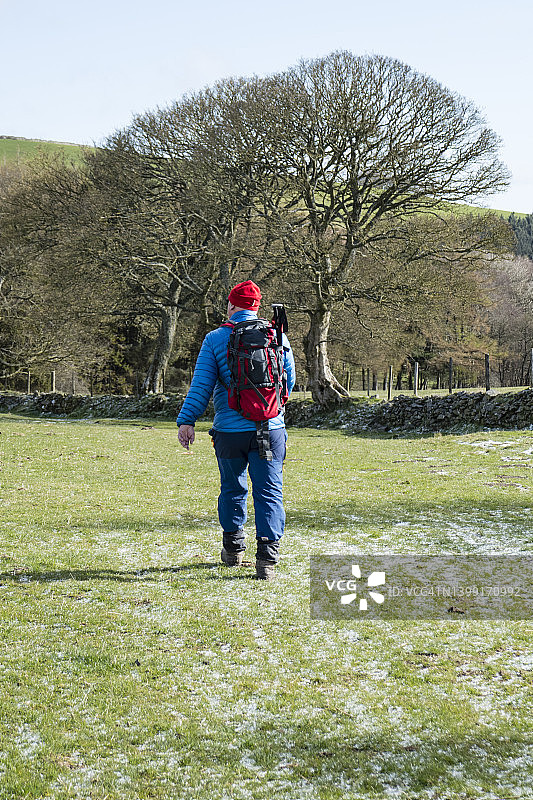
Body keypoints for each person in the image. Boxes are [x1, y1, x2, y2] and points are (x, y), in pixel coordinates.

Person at [177, 280, 296, 580]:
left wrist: (187, 421)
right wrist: (271, 407)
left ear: (231, 305)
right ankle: (267, 561)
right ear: (256, 306)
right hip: (270, 429)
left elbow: (201, 385)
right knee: (269, 491)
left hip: (229, 433)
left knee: (232, 488)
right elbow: (289, 380)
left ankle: (233, 550)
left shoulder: (216, 338)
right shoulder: (276, 334)